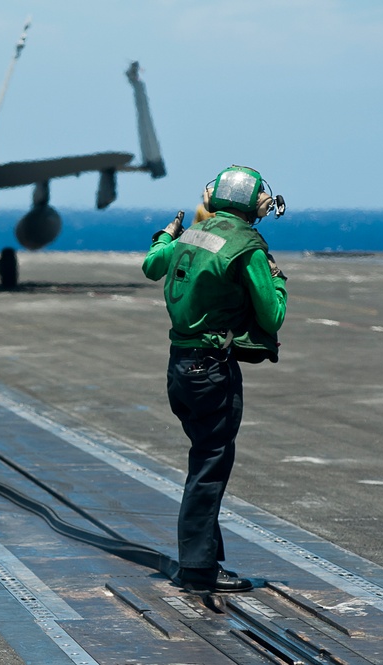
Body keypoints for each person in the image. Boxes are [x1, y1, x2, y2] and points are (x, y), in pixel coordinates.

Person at [142, 165, 288, 593]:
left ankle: (206, 555)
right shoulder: (247, 246)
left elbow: (152, 266)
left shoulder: (193, 234)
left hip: (179, 367)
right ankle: (199, 569)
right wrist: (277, 280)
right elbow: (272, 316)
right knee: (209, 467)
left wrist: (166, 235)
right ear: (253, 202)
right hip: (211, 370)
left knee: (204, 459)